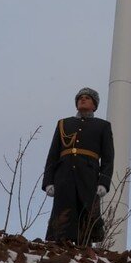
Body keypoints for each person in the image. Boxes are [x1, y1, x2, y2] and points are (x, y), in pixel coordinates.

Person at [43, 87, 114, 245]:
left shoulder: (102, 126)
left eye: (87, 98)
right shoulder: (63, 124)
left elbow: (108, 158)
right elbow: (53, 155)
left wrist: (104, 182)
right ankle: (60, 246)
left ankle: (84, 250)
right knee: (63, 215)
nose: (83, 99)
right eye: (80, 97)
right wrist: (48, 181)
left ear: (94, 105)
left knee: (86, 215)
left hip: (89, 177)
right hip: (64, 176)